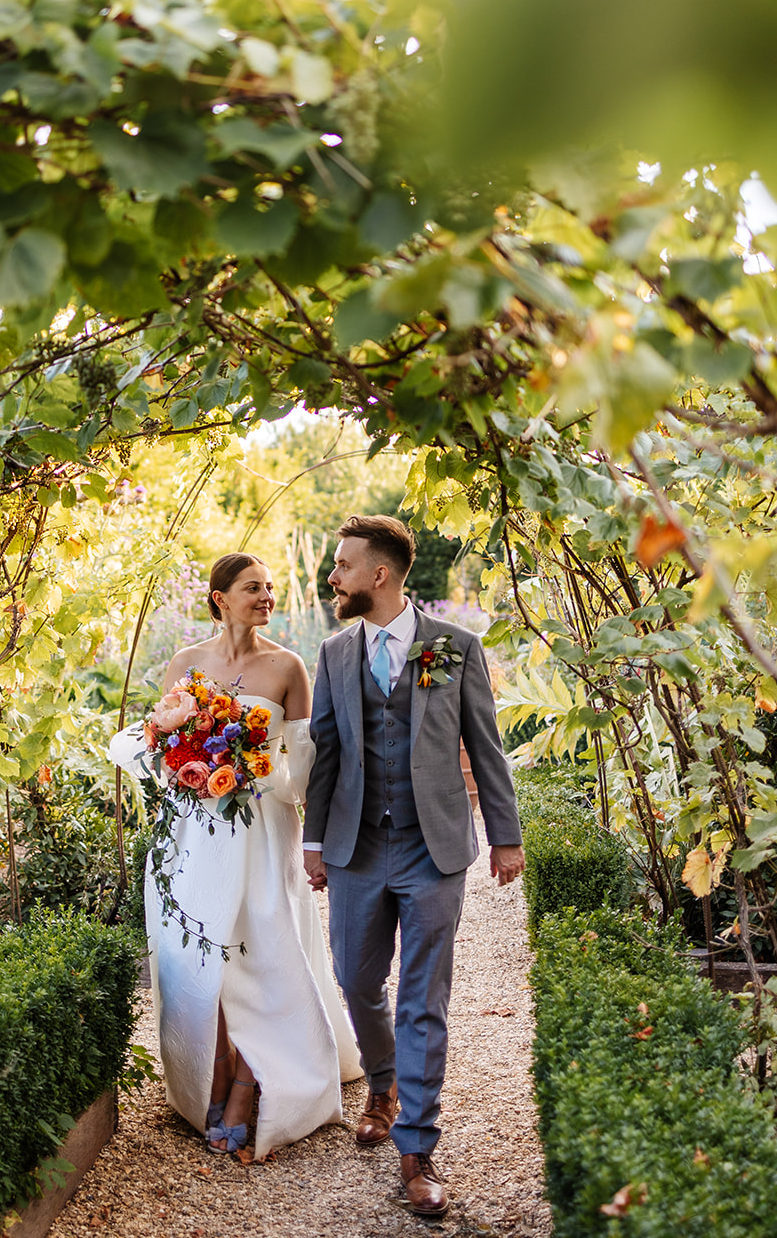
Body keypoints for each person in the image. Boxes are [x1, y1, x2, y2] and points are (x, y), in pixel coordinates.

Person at [302, 515, 524, 1218]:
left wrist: (505, 835)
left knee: (422, 997)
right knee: (356, 979)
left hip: (434, 850)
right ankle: (383, 1080)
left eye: (342, 565)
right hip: (357, 846)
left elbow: (484, 747)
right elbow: (326, 753)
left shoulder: (454, 647)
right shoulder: (335, 652)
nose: (332, 577)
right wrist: (313, 842)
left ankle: (415, 1148)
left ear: (381, 575)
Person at [111, 552, 362, 1161]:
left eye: (271, 588)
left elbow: (304, 762)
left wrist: (249, 769)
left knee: (261, 944)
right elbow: (163, 743)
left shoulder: (288, 667)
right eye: (254, 588)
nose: (266, 596)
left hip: (262, 829)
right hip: (195, 834)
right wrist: (190, 766)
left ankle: (252, 1083)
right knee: (201, 944)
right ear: (221, 597)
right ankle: (214, 1070)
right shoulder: (186, 662)